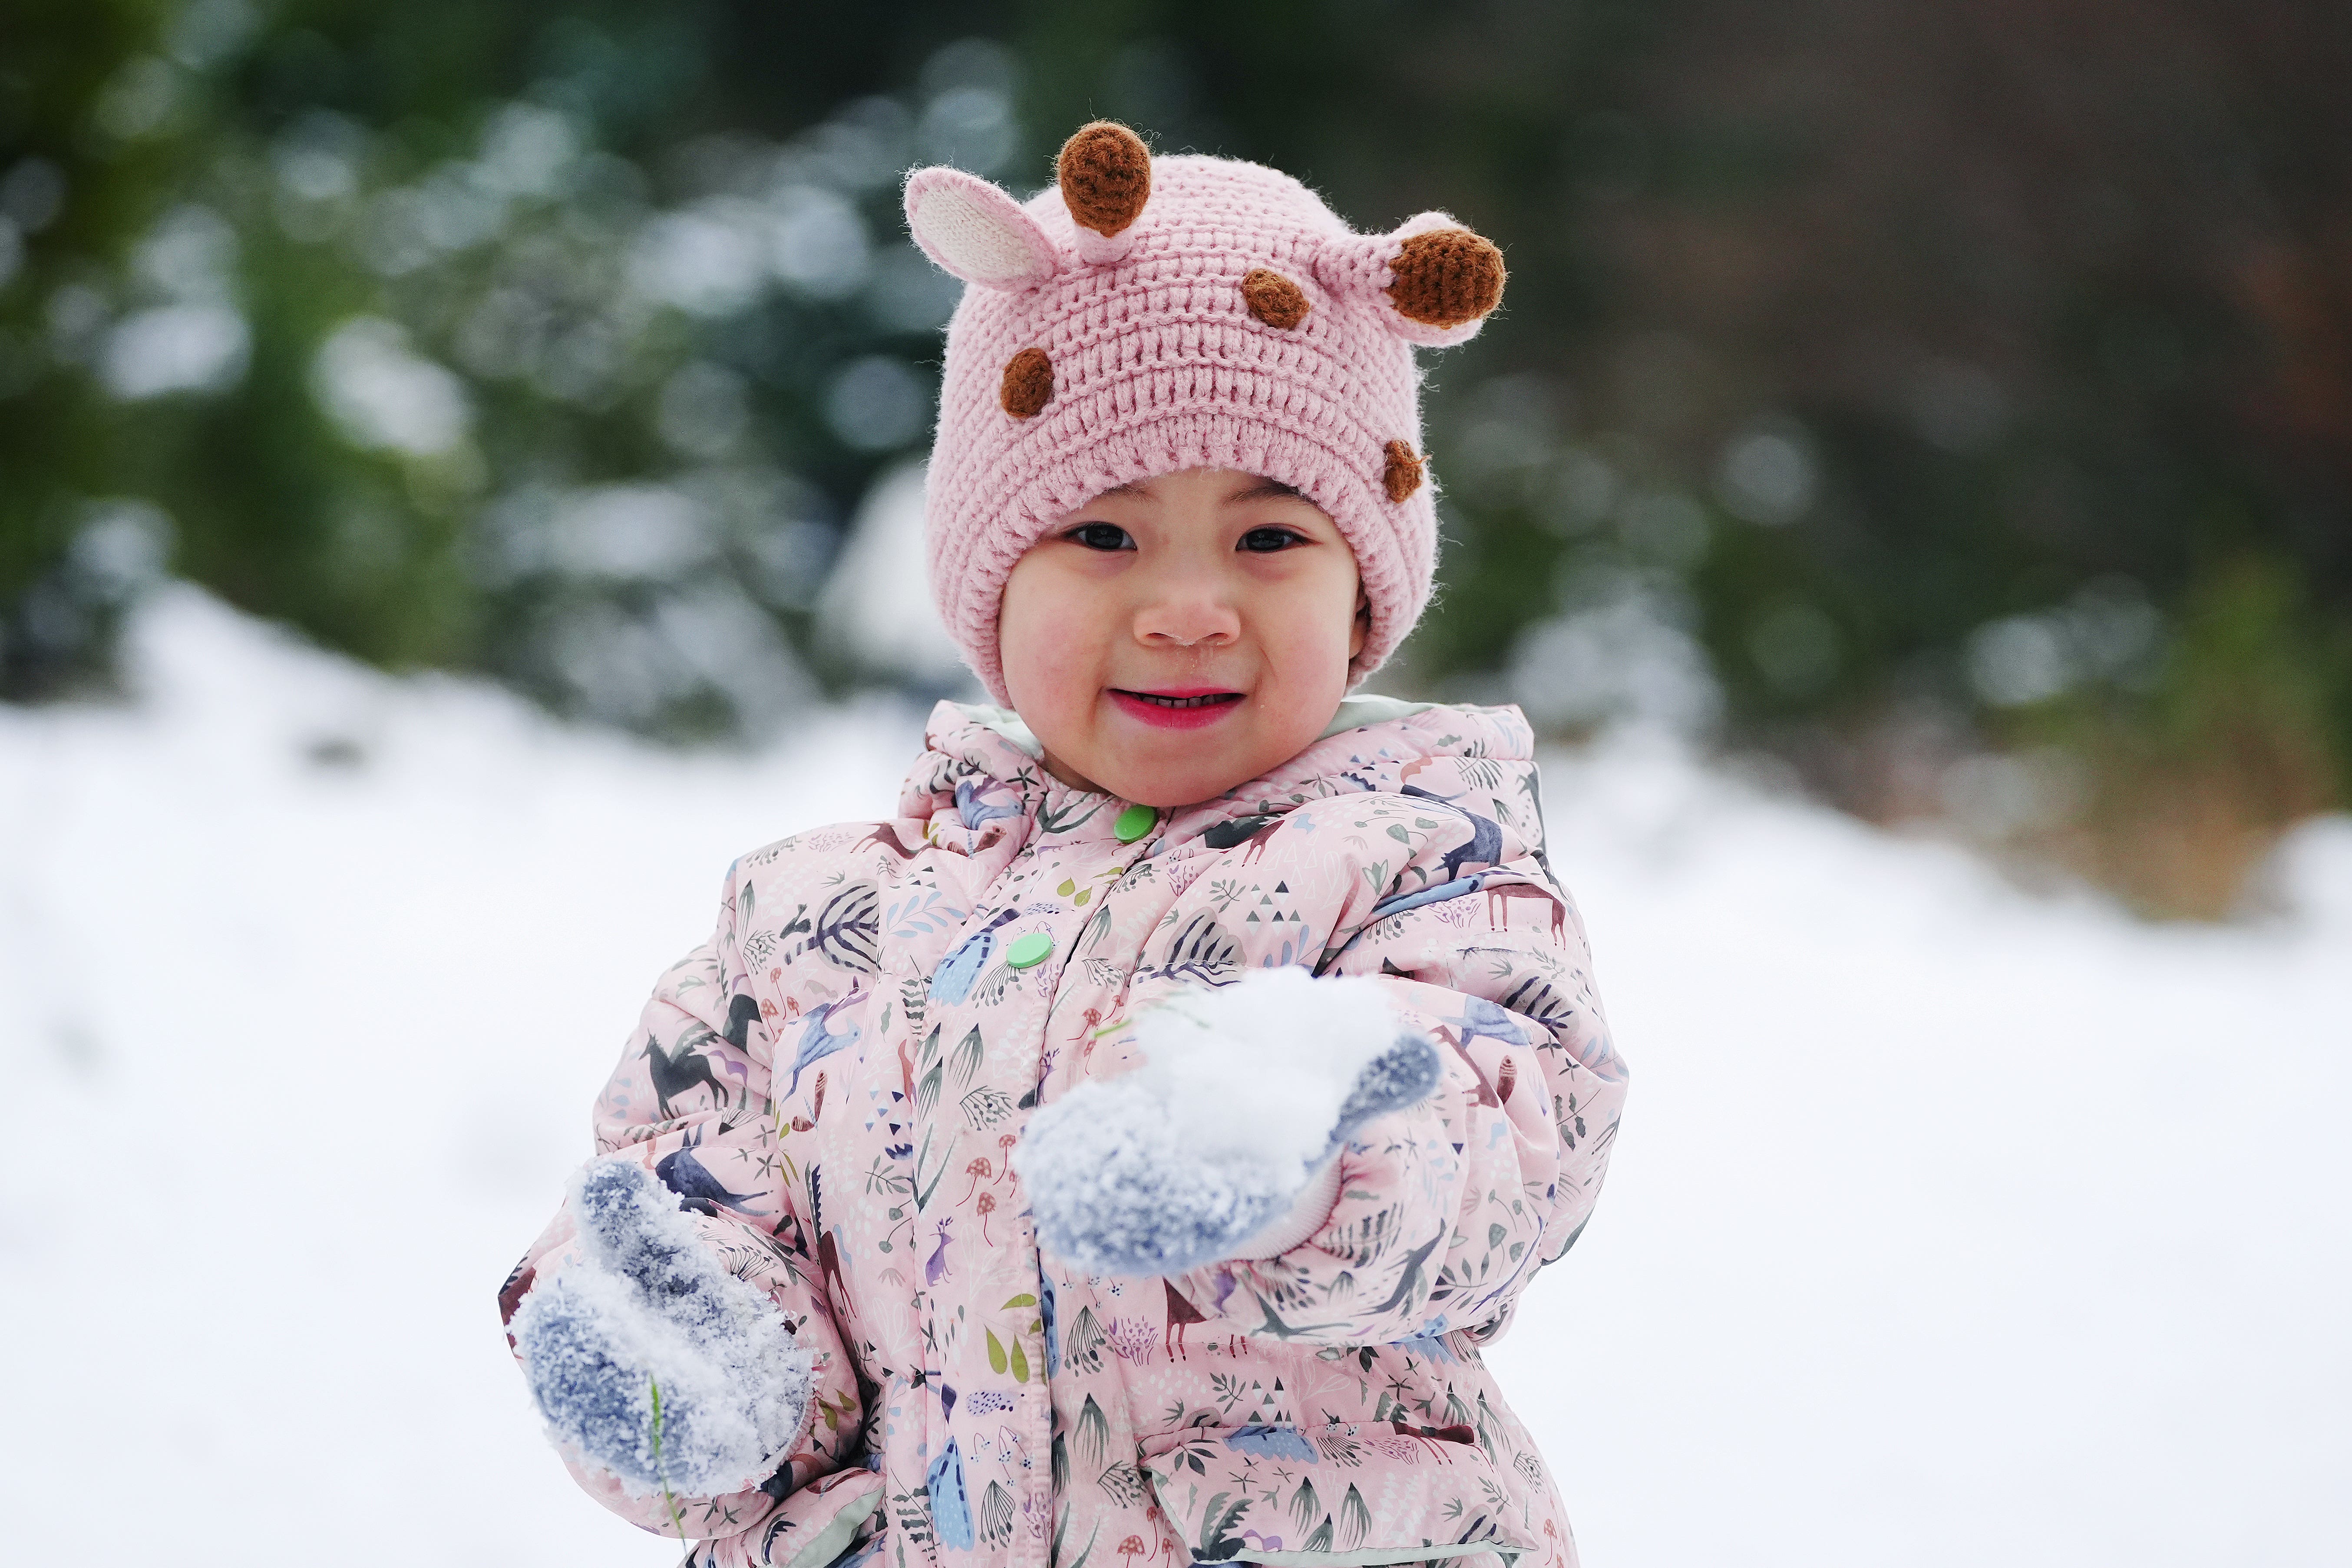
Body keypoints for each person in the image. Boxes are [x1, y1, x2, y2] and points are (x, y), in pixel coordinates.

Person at [498, 121, 1629, 1568]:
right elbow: (691, 1192)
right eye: (1103, 535)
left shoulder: (1417, 865)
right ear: (990, 577)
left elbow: (1513, 1126)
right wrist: (691, 1364)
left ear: (1364, 593)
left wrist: (1299, 1154)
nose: (1187, 607)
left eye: (1270, 538)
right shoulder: (809, 926)